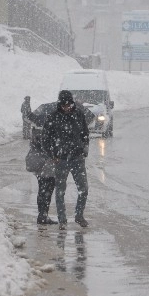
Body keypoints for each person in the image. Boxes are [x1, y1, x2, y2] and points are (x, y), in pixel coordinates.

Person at [42, 90, 90, 230]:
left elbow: (85, 133)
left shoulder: (79, 114)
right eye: (64, 105)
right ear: (60, 104)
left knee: (83, 189)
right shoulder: (53, 117)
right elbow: (45, 139)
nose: (67, 107)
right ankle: (62, 220)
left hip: (77, 158)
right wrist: (53, 154)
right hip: (60, 160)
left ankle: (79, 215)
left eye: (69, 105)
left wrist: (84, 148)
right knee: (60, 191)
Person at [25, 101, 57, 224]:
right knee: (47, 189)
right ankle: (43, 215)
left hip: (38, 162)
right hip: (48, 163)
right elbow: (51, 147)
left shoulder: (37, 128)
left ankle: (42, 214)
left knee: (42, 188)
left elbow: (34, 145)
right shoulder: (50, 131)